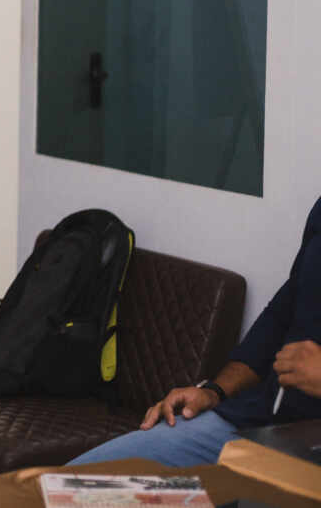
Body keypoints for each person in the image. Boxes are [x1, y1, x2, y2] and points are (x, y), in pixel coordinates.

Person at [70, 196, 321, 467]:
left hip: (307, 451)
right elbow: (282, 314)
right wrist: (216, 391)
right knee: (66, 483)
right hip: (260, 423)